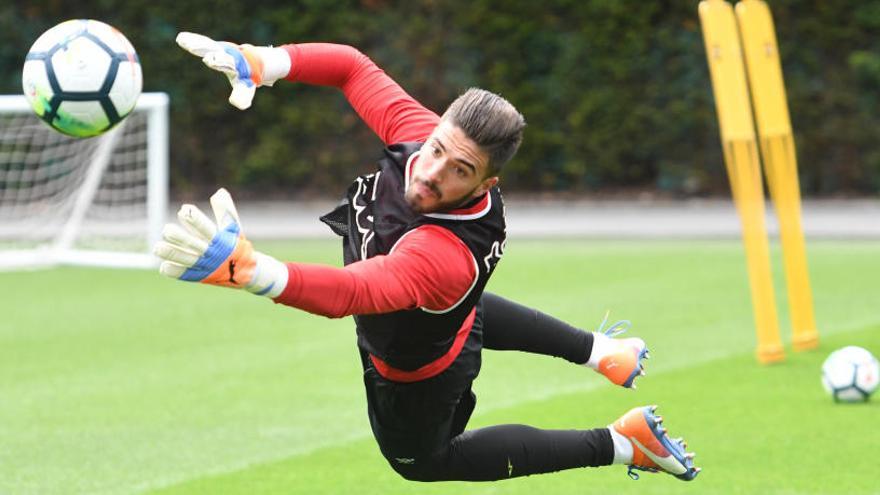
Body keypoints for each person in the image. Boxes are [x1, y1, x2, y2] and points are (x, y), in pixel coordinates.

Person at [154, 32, 700, 483]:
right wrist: (265, 62)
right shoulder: (424, 139)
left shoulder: (443, 254)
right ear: (435, 128)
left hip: (418, 375)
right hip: (439, 315)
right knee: (464, 311)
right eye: (437, 147)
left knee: (426, 463)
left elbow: (351, 294)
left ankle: (621, 444)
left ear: (487, 181)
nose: (432, 170)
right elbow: (350, 67)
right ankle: (605, 352)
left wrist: (251, 271)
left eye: (459, 169)